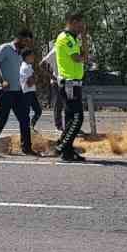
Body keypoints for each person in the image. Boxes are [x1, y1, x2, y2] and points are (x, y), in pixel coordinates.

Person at [0, 29, 36, 155]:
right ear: (19, 38)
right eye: (25, 41)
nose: (26, 44)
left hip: (18, 91)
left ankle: (27, 148)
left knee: (24, 118)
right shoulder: (5, 48)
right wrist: (2, 81)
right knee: (3, 117)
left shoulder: (20, 53)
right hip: (4, 90)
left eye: (28, 42)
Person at [51, 14, 89, 163]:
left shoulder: (73, 38)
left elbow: (83, 55)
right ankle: (61, 146)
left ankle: (67, 151)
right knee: (77, 118)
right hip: (69, 83)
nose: (82, 28)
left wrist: (84, 38)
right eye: (80, 25)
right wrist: (83, 55)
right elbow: (78, 58)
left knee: (70, 119)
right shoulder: (65, 38)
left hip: (74, 83)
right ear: (72, 23)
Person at [21, 47, 43, 128]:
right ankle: (27, 130)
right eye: (32, 56)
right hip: (27, 93)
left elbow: (33, 79)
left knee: (38, 111)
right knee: (27, 113)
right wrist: (35, 77)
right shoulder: (25, 68)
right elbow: (30, 83)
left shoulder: (28, 66)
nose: (33, 57)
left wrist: (34, 77)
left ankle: (31, 127)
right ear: (27, 57)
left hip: (31, 92)